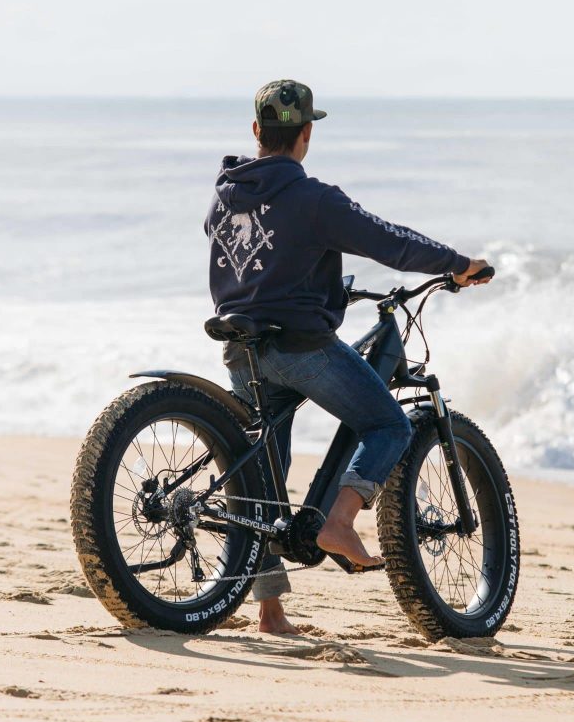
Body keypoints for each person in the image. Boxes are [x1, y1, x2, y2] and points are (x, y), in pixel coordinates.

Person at [206, 79, 491, 633]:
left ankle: (270, 612)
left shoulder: (223, 194)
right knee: (387, 424)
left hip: (241, 347)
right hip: (299, 346)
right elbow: (389, 240)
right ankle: (338, 520)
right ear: (307, 134)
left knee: (263, 479)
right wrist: (456, 263)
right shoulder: (314, 199)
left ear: (257, 132)